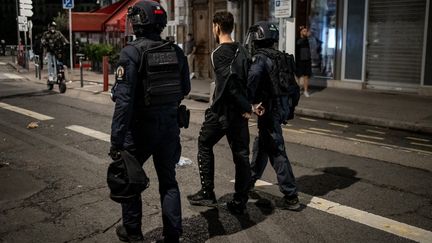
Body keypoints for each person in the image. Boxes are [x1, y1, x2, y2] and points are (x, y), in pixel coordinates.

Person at [109, 1, 190, 242]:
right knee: (168, 182)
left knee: (130, 178)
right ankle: (173, 235)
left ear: (138, 21)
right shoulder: (176, 51)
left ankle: (132, 232)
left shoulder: (131, 52)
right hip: (168, 127)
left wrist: (116, 140)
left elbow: (124, 102)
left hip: (140, 129)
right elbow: (184, 88)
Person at [187, 11, 258, 215]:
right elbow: (248, 81)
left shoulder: (218, 54)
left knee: (204, 143)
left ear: (217, 26)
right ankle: (240, 201)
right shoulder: (243, 51)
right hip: (239, 115)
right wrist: (249, 105)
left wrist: (248, 107)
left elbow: (231, 86)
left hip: (221, 112)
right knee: (241, 155)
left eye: (213, 25)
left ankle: (207, 192)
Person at [246, 21, 300, 211]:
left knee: (276, 149)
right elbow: (295, 88)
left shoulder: (260, 59)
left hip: (269, 108)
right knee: (262, 143)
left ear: (259, 36)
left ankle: (291, 195)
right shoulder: (282, 57)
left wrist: (248, 103)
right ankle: (249, 181)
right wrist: (289, 108)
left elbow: (252, 81)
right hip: (282, 106)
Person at [295, 25, 312, 97]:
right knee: (298, 76)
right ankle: (297, 91)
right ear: (301, 32)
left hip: (307, 60)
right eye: (304, 31)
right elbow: (299, 43)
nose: (306, 32)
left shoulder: (307, 39)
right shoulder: (298, 39)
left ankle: (305, 91)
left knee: (306, 76)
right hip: (300, 61)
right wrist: (306, 36)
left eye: (306, 31)